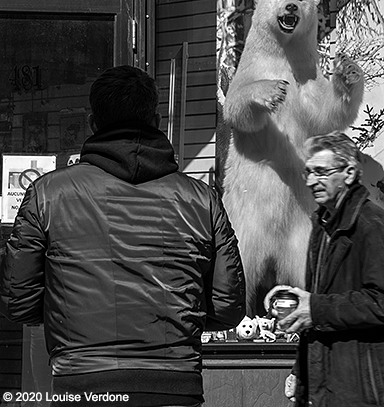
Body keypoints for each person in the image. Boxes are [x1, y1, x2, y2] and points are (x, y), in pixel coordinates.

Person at [0, 65, 246, 407]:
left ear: (92, 123)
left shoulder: (48, 194)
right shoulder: (200, 199)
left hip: (83, 381)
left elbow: (19, 302)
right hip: (173, 382)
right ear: (158, 121)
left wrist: (71, 310)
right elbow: (228, 307)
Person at [271, 131, 384, 406]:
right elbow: (315, 311)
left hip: (360, 389)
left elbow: (380, 302)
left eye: (321, 172)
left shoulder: (372, 225)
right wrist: (300, 371)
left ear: (348, 172)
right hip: (322, 384)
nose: (310, 181)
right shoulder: (322, 226)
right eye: (308, 172)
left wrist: (315, 309)